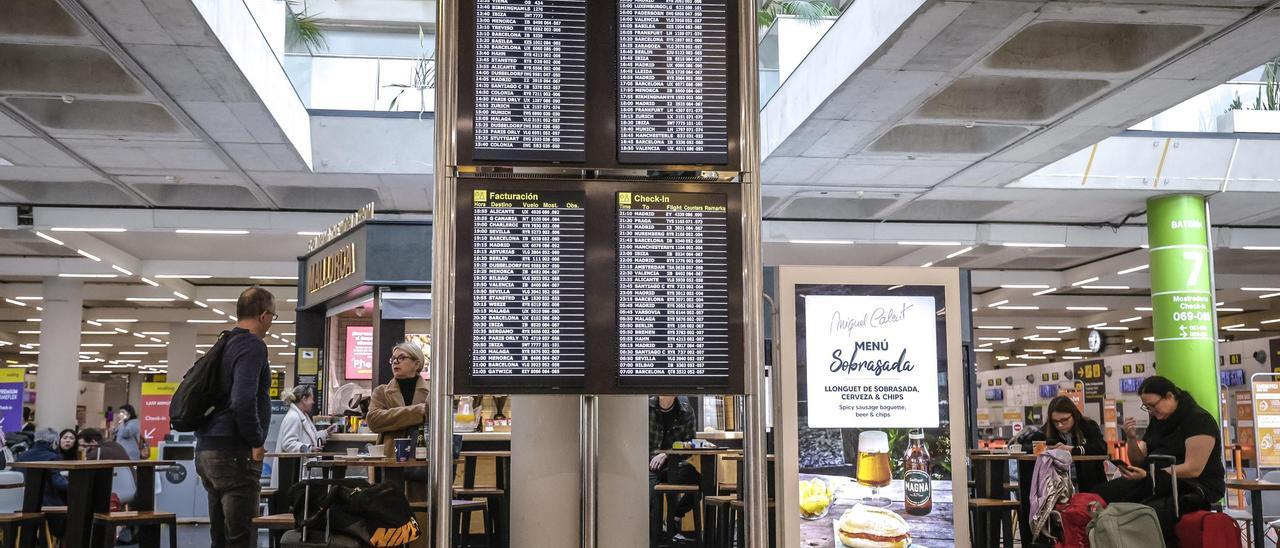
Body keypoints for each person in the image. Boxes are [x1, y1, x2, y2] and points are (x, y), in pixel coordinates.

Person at [1096, 376, 1225, 540]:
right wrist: (1131, 439)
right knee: (1102, 493)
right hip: (1155, 480)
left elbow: (1193, 469)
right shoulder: (1159, 421)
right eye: (1147, 407)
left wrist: (1151, 475)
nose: (1151, 411)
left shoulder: (1199, 420)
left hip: (1192, 485)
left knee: (1144, 513)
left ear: (1170, 396)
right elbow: (1138, 461)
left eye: (1153, 405)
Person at [195, 286, 275, 548]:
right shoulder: (253, 345)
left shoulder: (225, 342)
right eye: (273, 315)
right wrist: (256, 441)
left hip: (207, 449)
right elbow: (242, 401)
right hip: (234, 452)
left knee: (220, 537)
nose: (272, 321)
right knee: (240, 538)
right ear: (263, 315)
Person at [648, 395, 699, 546]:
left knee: (701, 482)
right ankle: (653, 538)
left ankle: (672, 519)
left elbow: (690, 443)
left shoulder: (686, 409)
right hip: (647, 463)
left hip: (674, 464)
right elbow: (633, 438)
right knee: (649, 496)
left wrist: (666, 454)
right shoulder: (645, 407)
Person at [366, 342, 429, 456]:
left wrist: (394, 418)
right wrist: (419, 411)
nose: (395, 361)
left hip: (424, 457)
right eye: (393, 358)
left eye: (401, 358)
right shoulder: (381, 392)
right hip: (391, 458)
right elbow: (373, 421)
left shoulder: (432, 393)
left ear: (416, 364)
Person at [1040, 396, 1107, 491]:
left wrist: (1072, 450)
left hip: (1090, 486)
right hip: (1059, 488)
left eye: (1064, 420)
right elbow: (1031, 446)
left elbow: (1101, 448)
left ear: (1074, 415)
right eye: (1055, 422)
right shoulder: (1047, 430)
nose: (1060, 425)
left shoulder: (1088, 426)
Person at [17, 428, 68, 506]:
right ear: (54, 443)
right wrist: (75, 486)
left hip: (23, 500)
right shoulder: (52, 457)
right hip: (46, 501)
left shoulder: (22, 455)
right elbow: (58, 483)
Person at [277, 384, 332, 453]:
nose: (313, 402)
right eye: (311, 398)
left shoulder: (303, 415)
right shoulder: (293, 417)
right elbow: (288, 443)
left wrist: (326, 433)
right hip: (296, 463)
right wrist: (309, 449)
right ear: (304, 399)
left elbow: (310, 437)